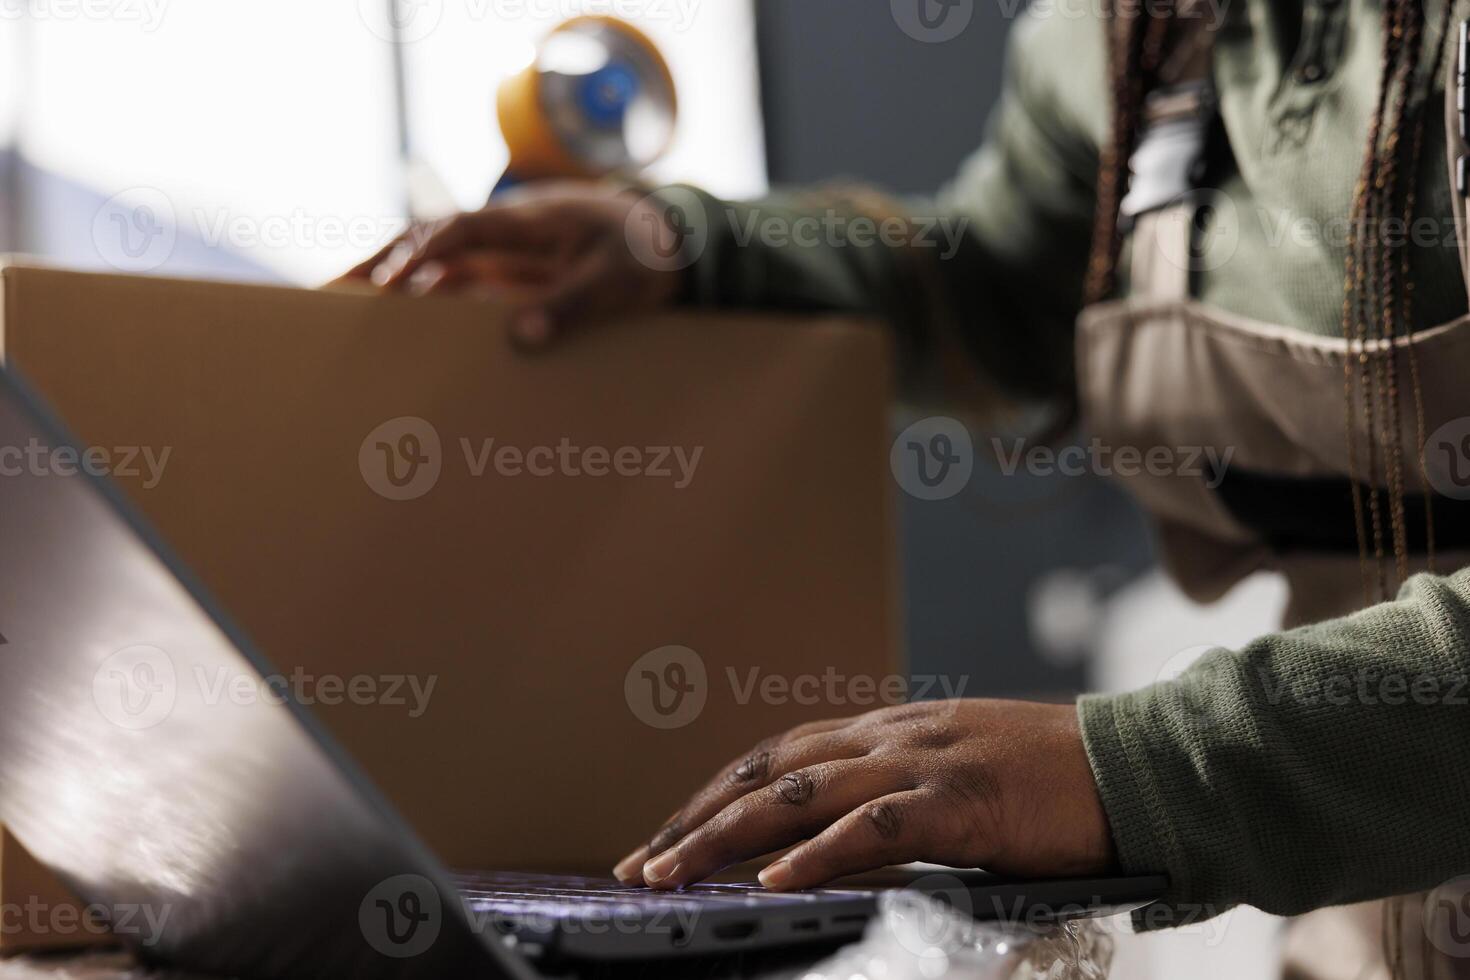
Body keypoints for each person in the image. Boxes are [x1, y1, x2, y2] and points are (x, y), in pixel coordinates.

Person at [339, 1, 1470, 976]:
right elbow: (1003, 282)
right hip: (1356, 888)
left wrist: (1139, 768)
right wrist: (698, 249)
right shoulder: (1134, 30)